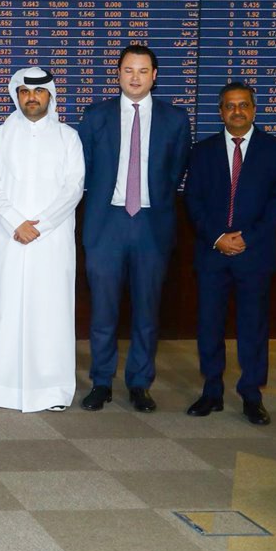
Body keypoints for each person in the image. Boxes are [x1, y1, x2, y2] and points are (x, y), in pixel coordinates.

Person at [78, 44, 191, 413]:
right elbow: (87, 169)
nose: (135, 77)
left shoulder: (176, 119)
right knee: (104, 311)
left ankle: (140, 383)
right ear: (118, 73)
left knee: (146, 310)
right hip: (106, 224)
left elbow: (175, 171)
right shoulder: (96, 116)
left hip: (150, 224)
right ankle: (101, 382)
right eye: (128, 70)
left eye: (143, 71)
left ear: (154, 76)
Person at [184, 82, 276, 426]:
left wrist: (248, 238)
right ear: (221, 112)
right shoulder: (202, 151)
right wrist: (217, 237)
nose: (237, 111)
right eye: (230, 106)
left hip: (254, 253)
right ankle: (211, 391)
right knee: (210, 325)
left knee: (253, 327)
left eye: (244, 105)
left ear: (254, 109)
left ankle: (251, 395)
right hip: (212, 253)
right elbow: (193, 200)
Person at [0, 67, 84, 412]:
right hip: (10, 238)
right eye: (25, 92)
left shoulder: (68, 137)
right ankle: (0, 388)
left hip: (51, 241)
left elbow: (73, 187)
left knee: (51, 312)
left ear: (50, 96)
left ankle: (51, 391)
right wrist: (16, 222)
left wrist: (42, 225)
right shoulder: (0, 136)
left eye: (38, 92)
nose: (32, 98)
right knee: (5, 310)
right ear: (16, 95)